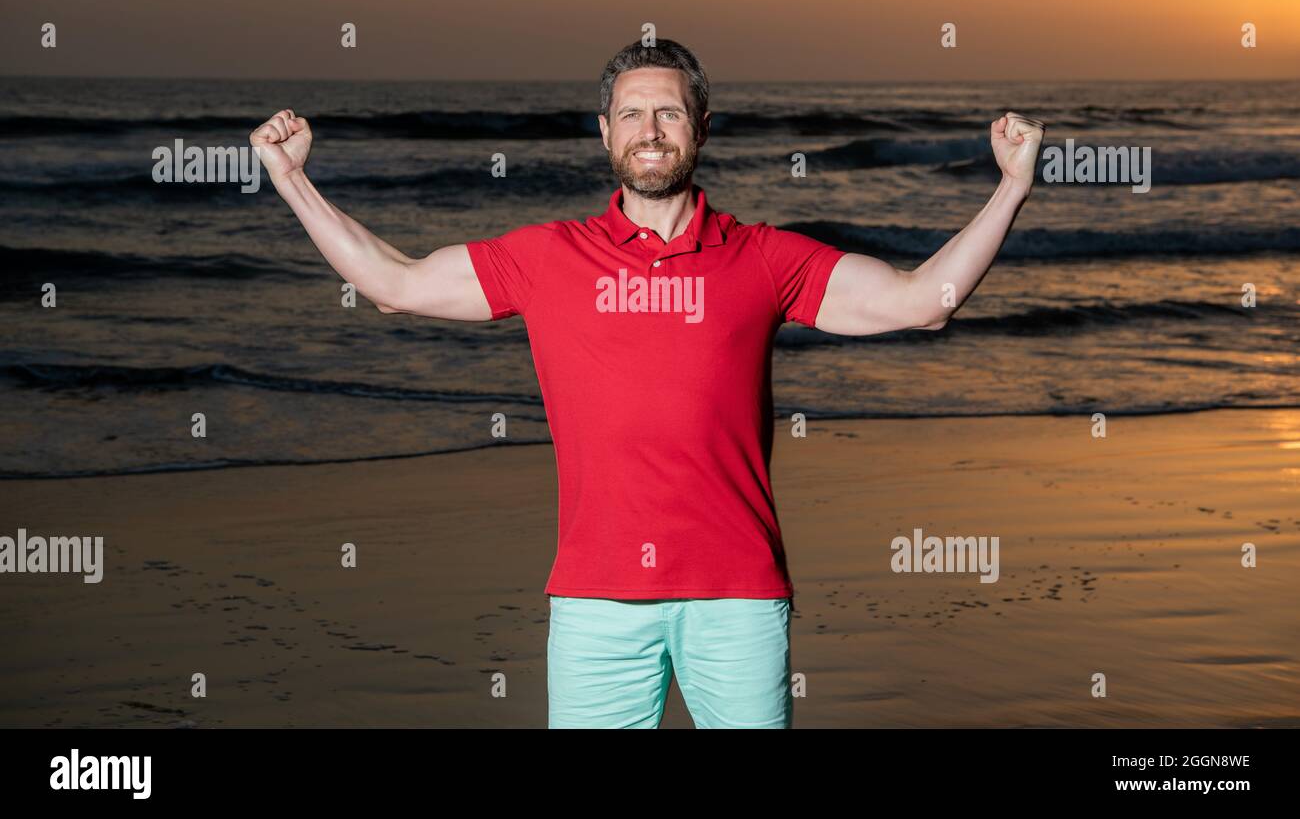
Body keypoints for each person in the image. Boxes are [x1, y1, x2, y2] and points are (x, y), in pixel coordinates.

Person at [249, 38, 1044, 728]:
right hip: (595, 602)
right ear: (604, 132)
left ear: (700, 127)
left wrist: (1010, 185)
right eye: (631, 114)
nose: (650, 131)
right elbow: (395, 283)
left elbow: (922, 305)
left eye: (667, 113)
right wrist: (291, 180)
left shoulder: (764, 258)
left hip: (736, 598)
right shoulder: (549, 256)